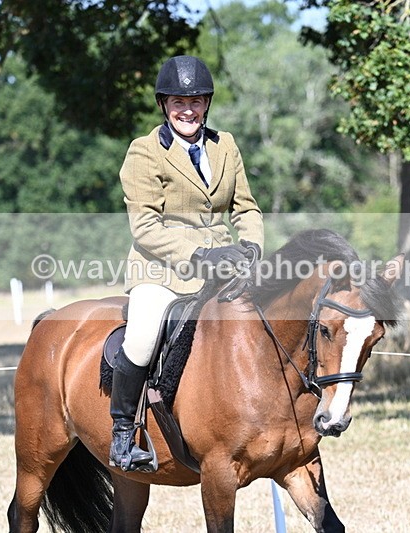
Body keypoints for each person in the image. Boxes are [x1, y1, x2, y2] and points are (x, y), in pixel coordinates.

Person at [110, 55, 264, 471]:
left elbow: (246, 207)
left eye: (196, 101)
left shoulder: (225, 145)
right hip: (162, 271)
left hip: (223, 270)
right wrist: (198, 255)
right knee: (141, 338)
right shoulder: (144, 152)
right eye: (178, 101)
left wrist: (251, 246)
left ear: (207, 104)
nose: (188, 110)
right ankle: (123, 433)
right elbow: (144, 226)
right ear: (164, 104)